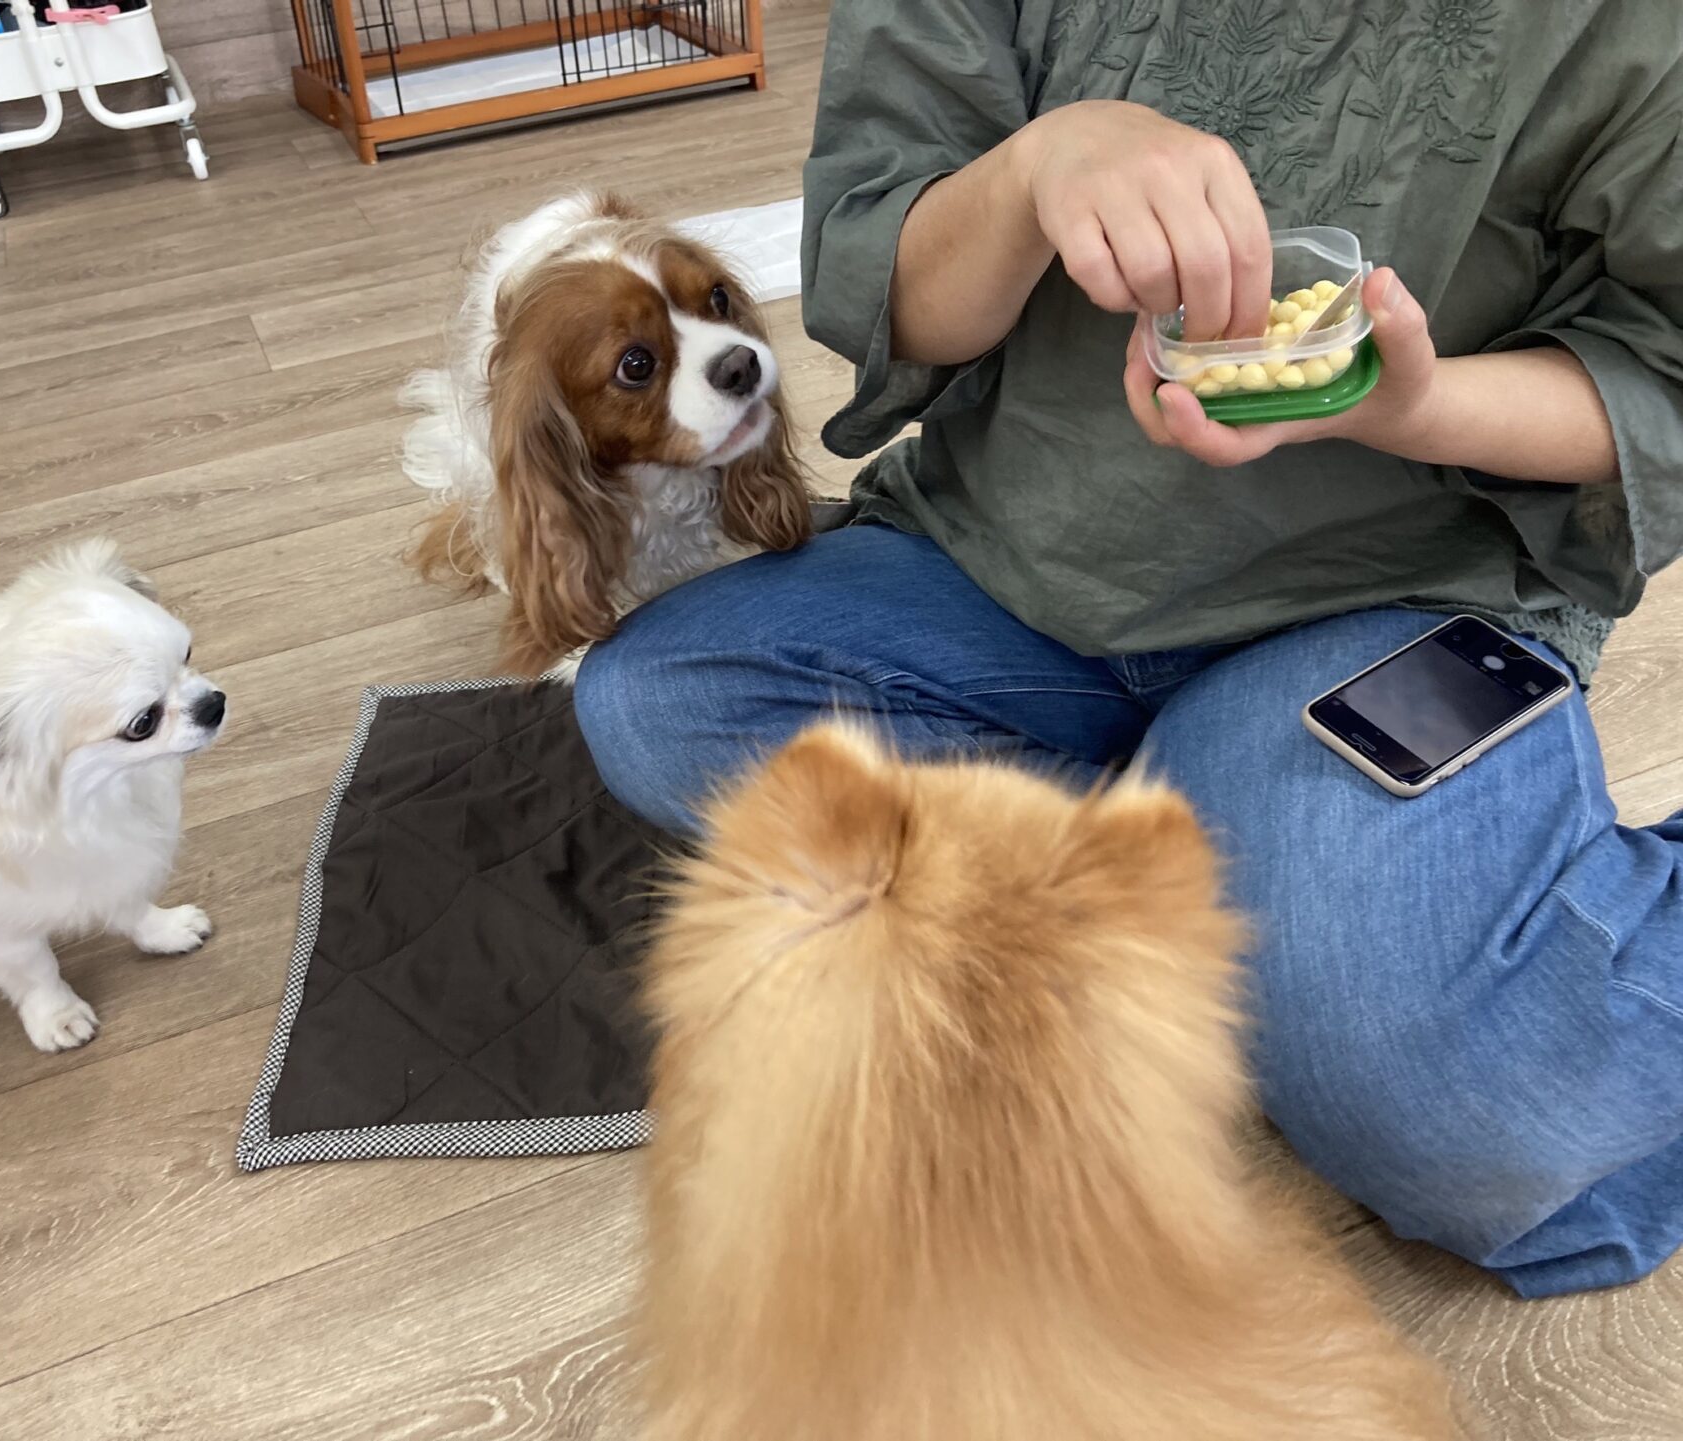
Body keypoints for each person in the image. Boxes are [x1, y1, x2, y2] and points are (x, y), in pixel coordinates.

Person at [575, 1, 1683, 1298]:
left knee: (1482, 1128)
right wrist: (1035, 171)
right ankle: (1243, 836)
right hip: (1008, 561)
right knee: (656, 698)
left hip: (1392, 596)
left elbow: (1659, 381)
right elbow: (887, 283)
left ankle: (1264, 853)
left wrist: (1415, 407)